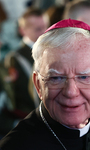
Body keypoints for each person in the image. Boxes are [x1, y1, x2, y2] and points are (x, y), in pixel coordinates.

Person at [0, 19, 90, 150]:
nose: (71, 92)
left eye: (84, 77)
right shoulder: (14, 146)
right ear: (38, 85)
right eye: (56, 78)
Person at [0, 7, 49, 135]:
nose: (44, 32)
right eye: (38, 29)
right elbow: (14, 96)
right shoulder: (14, 58)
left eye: (45, 27)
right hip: (31, 119)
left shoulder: (52, 51)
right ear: (22, 30)